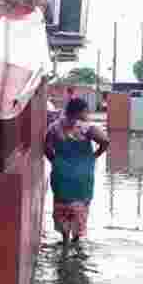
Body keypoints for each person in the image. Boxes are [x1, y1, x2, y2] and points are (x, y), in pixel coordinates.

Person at [44, 97, 109, 243]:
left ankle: (65, 239)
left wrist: (57, 162)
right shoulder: (86, 127)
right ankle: (76, 240)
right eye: (87, 111)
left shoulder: (54, 127)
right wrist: (93, 157)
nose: (88, 114)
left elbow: (47, 148)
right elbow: (105, 141)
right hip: (82, 177)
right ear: (81, 111)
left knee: (62, 207)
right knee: (80, 209)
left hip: (61, 175)